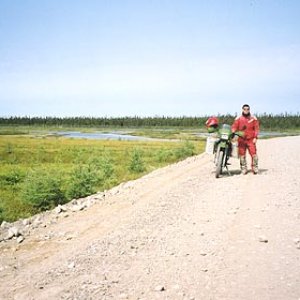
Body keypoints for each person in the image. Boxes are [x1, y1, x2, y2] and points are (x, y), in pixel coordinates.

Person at [231, 104, 259, 174]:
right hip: (241, 140)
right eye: (245, 109)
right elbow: (234, 127)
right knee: (242, 155)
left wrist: (255, 137)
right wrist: (233, 132)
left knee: (254, 154)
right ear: (242, 110)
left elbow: (256, 129)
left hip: (251, 140)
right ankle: (244, 168)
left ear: (249, 110)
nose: (246, 110)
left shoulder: (253, 118)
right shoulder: (238, 118)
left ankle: (255, 168)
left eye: (247, 109)